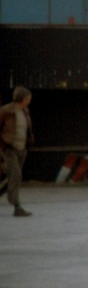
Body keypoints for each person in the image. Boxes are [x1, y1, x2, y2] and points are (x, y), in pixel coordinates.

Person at [1, 87, 34, 217]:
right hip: (9, 149)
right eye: (28, 98)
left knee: (12, 178)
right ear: (23, 99)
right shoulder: (6, 111)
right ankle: (17, 207)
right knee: (16, 175)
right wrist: (3, 145)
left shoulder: (25, 111)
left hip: (21, 149)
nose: (29, 100)